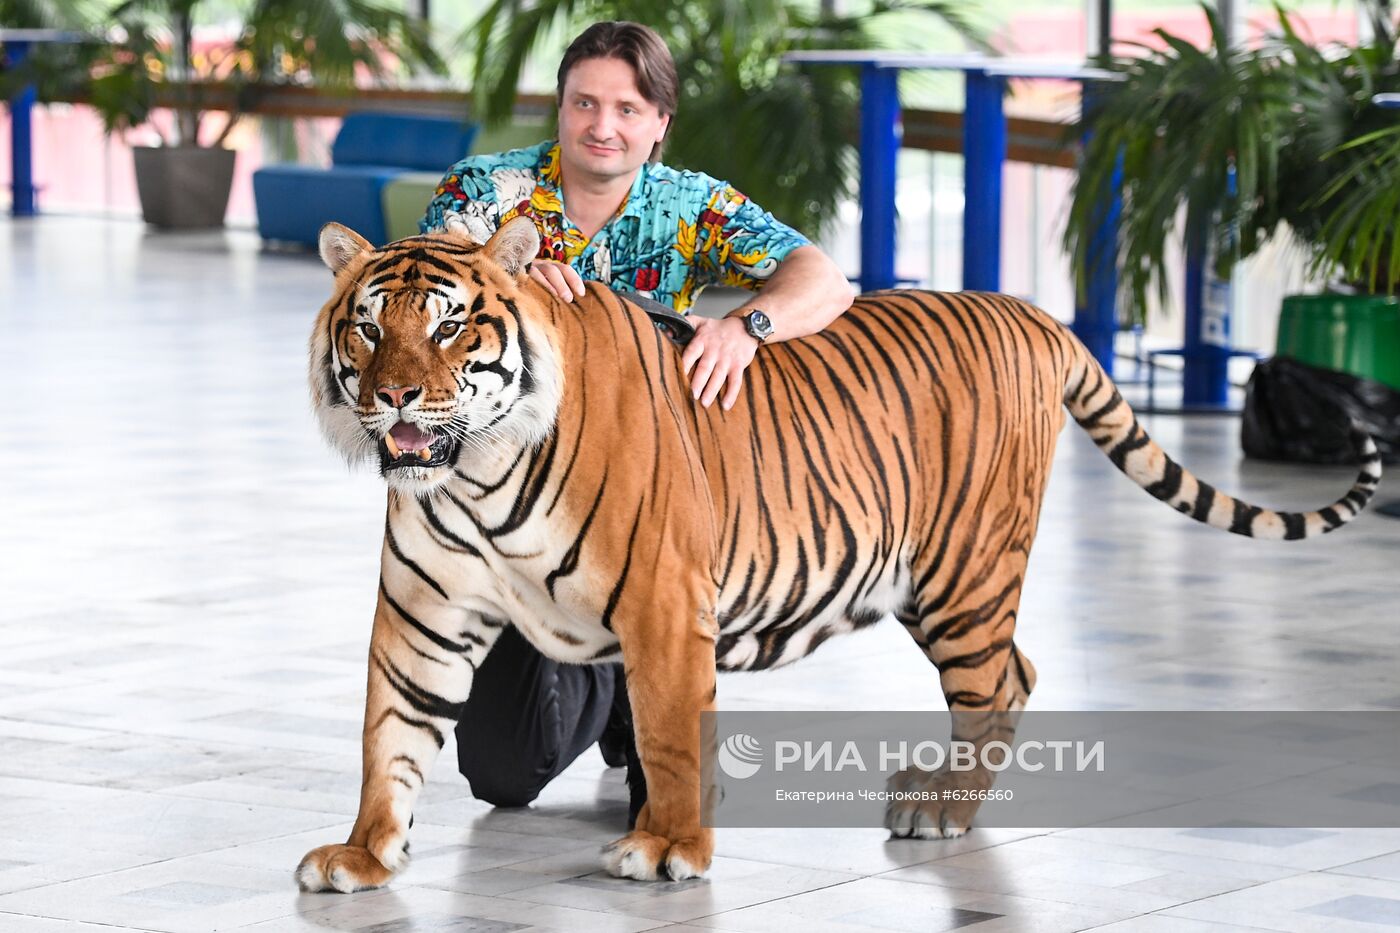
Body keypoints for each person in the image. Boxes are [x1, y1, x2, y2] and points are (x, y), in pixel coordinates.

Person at [419, 20, 855, 825]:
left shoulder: (694, 206)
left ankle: (649, 675)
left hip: (646, 507)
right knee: (501, 772)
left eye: (627, 107)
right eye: (584, 103)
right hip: (520, 509)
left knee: (670, 791)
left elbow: (826, 282)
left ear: (660, 123)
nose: (603, 125)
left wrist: (746, 326)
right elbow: (428, 282)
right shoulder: (487, 192)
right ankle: (614, 686)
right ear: (560, 108)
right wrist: (503, 279)